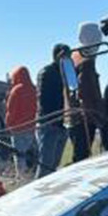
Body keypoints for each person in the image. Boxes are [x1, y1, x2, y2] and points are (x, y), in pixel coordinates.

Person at [36, 45, 71, 178]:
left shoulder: (61, 72)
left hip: (58, 123)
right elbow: (44, 101)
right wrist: (52, 120)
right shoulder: (47, 72)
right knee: (46, 166)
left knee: (53, 165)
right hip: (49, 124)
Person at [74, 49, 108, 155]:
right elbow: (87, 98)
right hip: (91, 117)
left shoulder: (85, 72)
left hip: (92, 116)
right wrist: (97, 117)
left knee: (84, 152)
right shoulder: (87, 72)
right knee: (84, 152)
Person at [3, 65, 37, 176]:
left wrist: (8, 124)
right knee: (32, 152)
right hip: (32, 127)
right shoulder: (33, 89)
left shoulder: (16, 90)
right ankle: (35, 172)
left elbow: (11, 110)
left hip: (18, 128)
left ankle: (22, 176)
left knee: (19, 154)